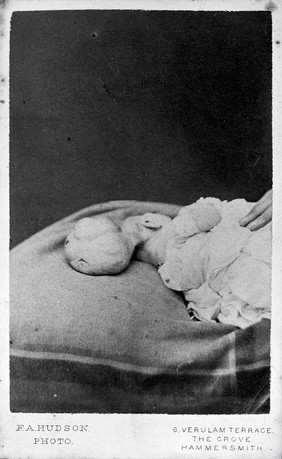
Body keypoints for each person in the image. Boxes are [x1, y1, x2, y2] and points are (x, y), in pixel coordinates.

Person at [65, 197, 271, 329]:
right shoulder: (179, 227)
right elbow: (211, 216)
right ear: (150, 221)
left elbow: (200, 287)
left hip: (230, 275)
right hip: (237, 248)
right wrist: (196, 212)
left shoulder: (170, 274)